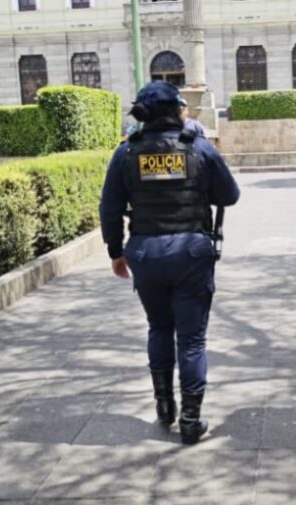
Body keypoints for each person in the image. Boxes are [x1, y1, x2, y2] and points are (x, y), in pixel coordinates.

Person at [99, 80, 240, 445]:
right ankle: (191, 419)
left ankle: (165, 405)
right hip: (191, 252)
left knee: (159, 326)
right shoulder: (199, 147)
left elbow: (110, 207)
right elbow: (230, 195)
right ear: (177, 111)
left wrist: (115, 252)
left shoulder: (126, 152)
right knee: (191, 339)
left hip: (145, 253)